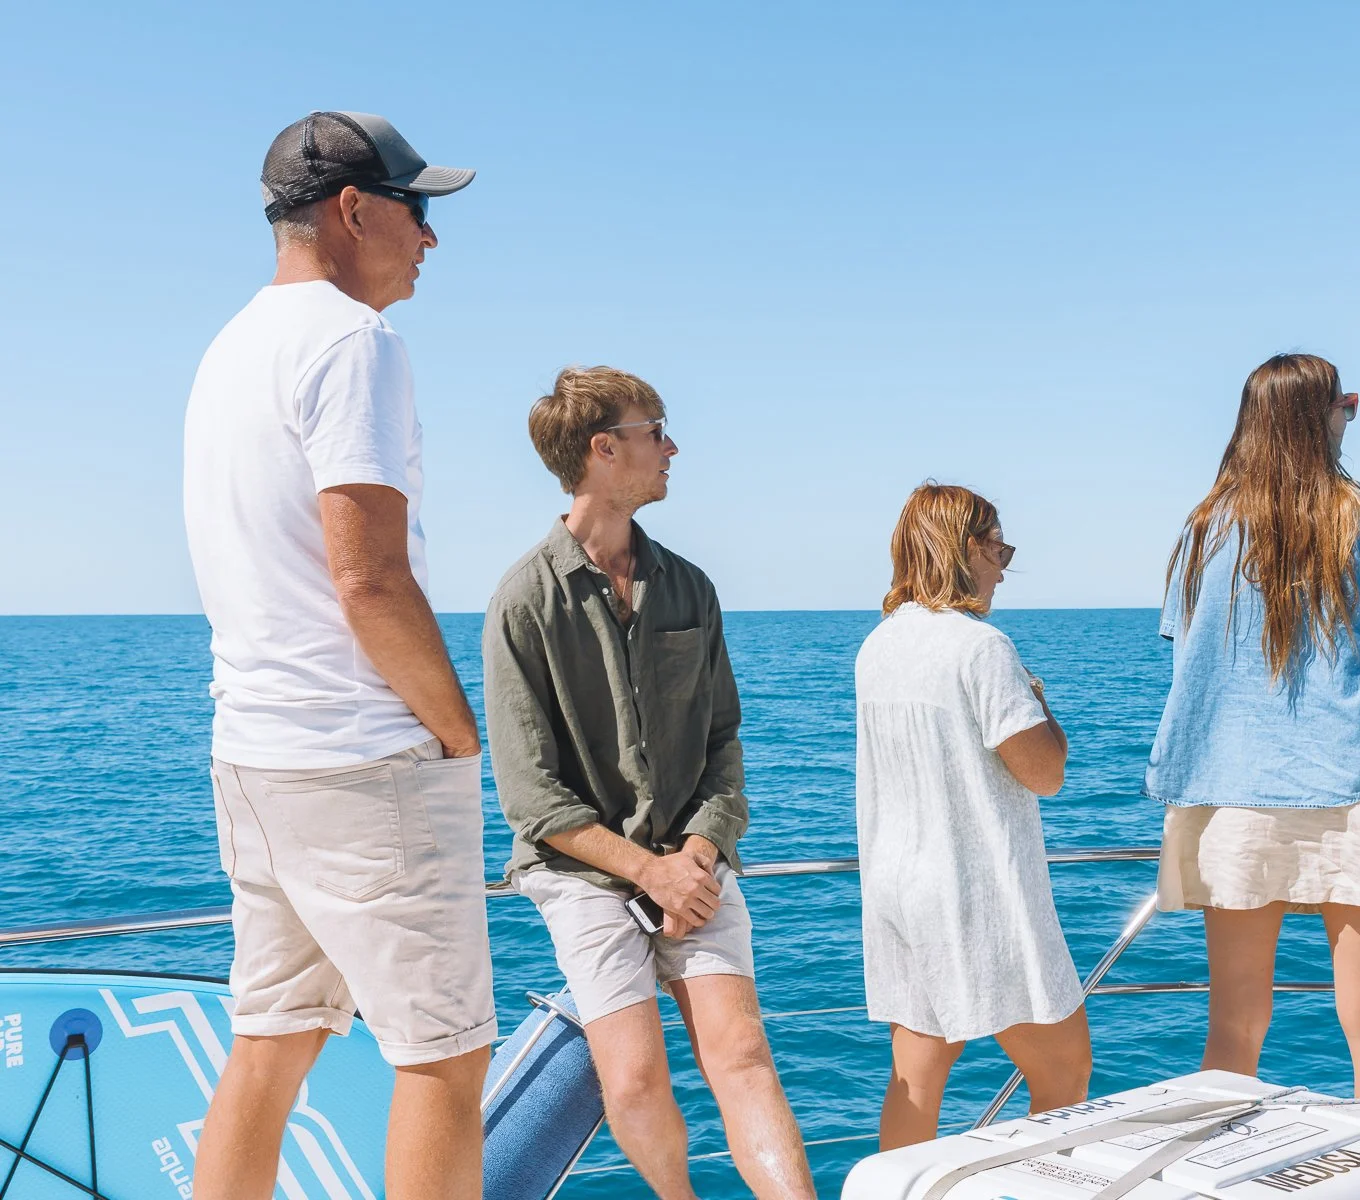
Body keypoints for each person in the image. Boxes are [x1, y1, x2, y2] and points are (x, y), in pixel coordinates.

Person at [182, 112, 493, 1199]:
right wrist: (459, 737)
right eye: (418, 211)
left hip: (255, 760)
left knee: (270, 1043)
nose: (430, 240)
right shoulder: (354, 344)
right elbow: (368, 578)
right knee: (445, 1055)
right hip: (362, 766)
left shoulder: (227, 350)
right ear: (354, 211)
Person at [483, 366, 815, 1200]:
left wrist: (696, 853)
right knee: (631, 1079)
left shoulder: (690, 588)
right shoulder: (523, 602)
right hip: (585, 875)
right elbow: (532, 799)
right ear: (603, 450)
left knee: (740, 1053)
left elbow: (723, 743)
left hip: (692, 863)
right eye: (655, 429)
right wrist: (649, 872)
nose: (671, 446)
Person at [1145, 352, 1360, 1112]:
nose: (1354, 412)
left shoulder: (1205, 529)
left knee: (1234, 1025)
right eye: (1347, 401)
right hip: (1349, 788)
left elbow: (1196, 665)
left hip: (1229, 796)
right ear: (1323, 415)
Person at [855, 483, 1092, 1149]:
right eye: (999, 549)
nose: (1004, 569)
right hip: (974, 893)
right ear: (965, 551)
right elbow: (1045, 773)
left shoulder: (878, 646)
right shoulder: (980, 647)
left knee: (919, 1080)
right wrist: (1038, 698)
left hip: (900, 891)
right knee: (1066, 1072)